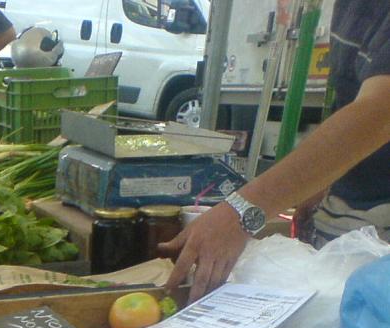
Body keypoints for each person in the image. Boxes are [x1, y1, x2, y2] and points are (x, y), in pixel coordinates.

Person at [163, 0, 390, 300]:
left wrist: (243, 212)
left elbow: (380, 112)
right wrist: (319, 184)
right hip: (350, 232)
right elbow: (352, 105)